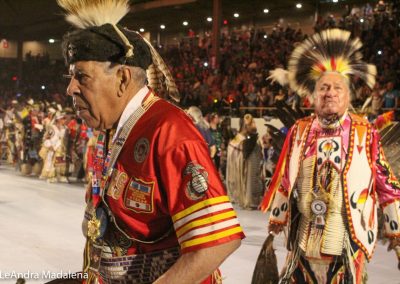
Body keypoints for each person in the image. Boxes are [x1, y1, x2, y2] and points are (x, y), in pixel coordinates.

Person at [57, 0, 244, 283]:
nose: (71, 88)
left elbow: (218, 241)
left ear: (122, 78)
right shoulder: (107, 131)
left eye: (81, 76)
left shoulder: (170, 131)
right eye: (71, 76)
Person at [260, 29, 400, 283]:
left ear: (348, 96)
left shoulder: (364, 132)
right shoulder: (300, 130)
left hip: (346, 242)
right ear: (313, 96)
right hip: (303, 239)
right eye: (323, 87)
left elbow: (386, 184)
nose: (330, 93)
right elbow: (285, 178)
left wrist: (396, 233)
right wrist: (277, 217)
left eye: (337, 88)